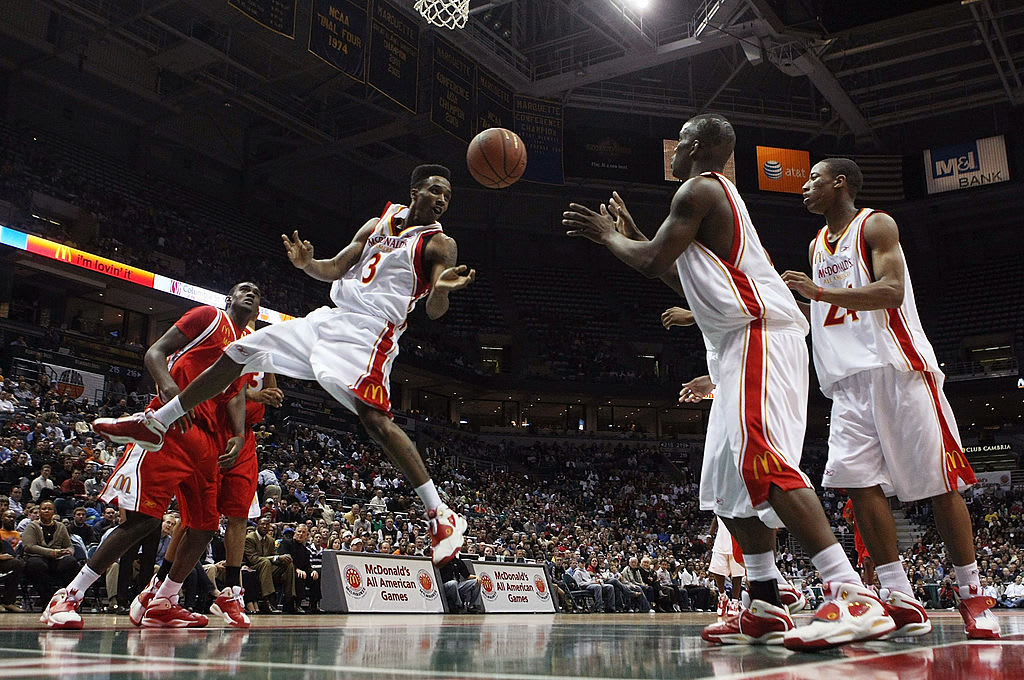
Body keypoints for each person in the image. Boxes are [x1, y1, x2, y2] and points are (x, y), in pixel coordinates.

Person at [563, 113, 893, 650]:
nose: (672, 150)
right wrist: (635, 237)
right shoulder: (707, 198)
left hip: (759, 332)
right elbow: (676, 273)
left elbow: (649, 263)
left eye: (678, 142)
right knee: (725, 484)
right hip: (735, 344)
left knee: (765, 462)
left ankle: (850, 592)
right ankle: (762, 601)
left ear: (693, 146)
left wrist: (609, 239)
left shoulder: (699, 190)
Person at [95, 165, 475, 566]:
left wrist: (442, 289)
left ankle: (439, 514)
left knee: (374, 419)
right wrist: (306, 264)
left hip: (369, 333)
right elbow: (335, 267)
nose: (442, 200)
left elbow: (434, 308)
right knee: (239, 355)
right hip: (331, 318)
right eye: (436, 190)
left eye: (447, 196)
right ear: (415, 191)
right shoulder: (379, 222)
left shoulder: (440, 244)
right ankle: (158, 422)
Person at [781, 157, 999, 640]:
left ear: (840, 183)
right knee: (856, 483)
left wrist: (817, 291)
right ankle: (899, 596)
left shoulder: (875, 224)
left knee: (939, 486)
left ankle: (973, 595)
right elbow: (822, 310)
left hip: (897, 370)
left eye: (813, 179)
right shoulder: (817, 244)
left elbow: (892, 291)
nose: (805, 188)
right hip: (846, 382)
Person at [42, 282, 259, 629]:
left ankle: (163, 601)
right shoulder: (208, 317)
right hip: (171, 425)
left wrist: (236, 433)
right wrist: (169, 386)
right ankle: (68, 595)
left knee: (203, 527)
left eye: (257, 293)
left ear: (259, 310)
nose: (251, 294)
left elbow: (234, 395)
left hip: (207, 441)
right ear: (229, 298)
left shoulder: (246, 345)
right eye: (244, 289)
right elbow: (155, 352)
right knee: (143, 521)